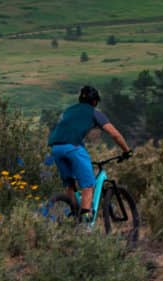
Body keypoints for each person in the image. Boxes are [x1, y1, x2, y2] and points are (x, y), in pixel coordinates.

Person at [47, 85, 132, 222]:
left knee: (70, 184)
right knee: (88, 185)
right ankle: (87, 224)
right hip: (73, 147)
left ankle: (75, 217)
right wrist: (126, 151)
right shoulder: (93, 112)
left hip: (56, 148)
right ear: (95, 101)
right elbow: (114, 134)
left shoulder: (68, 111)